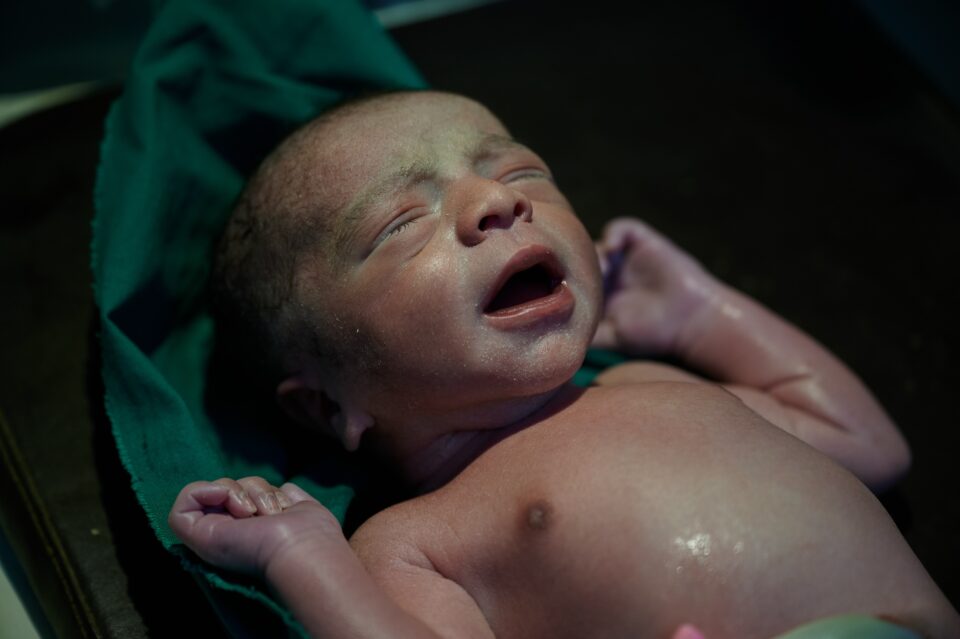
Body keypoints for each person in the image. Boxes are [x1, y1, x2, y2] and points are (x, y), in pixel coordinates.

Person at [168, 90, 959, 638]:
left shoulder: (653, 382)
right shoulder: (417, 539)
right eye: (401, 221)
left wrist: (702, 315)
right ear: (325, 405)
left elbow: (864, 442)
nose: (497, 203)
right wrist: (304, 554)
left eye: (520, 172)